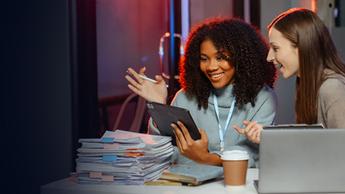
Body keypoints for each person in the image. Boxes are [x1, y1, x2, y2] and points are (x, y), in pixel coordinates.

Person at [125, 18, 277, 167]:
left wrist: (205, 158)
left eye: (220, 57)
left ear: (241, 58)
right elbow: (162, 153)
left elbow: (251, 152)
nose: (211, 67)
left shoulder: (263, 98)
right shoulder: (185, 97)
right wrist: (158, 106)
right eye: (204, 59)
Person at [235, 8, 345, 144]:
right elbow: (311, 143)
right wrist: (269, 136)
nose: (269, 57)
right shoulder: (307, 84)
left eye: (275, 48)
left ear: (302, 47)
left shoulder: (332, 88)